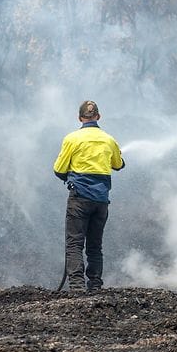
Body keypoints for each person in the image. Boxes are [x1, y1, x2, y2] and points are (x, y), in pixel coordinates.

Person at [53, 101, 125, 292]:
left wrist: (70, 174)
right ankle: (95, 285)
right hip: (101, 201)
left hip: (79, 200)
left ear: (80, 118)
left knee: (75, 243)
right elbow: (118, 164)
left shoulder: (72, 139)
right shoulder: (109, 140)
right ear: (98, 117)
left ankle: (77, 286)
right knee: (95, 245)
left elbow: (59, 170)